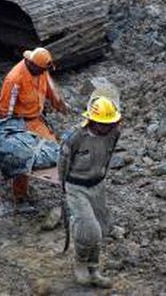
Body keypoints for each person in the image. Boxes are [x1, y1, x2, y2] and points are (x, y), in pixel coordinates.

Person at [58, 96, 121, 288]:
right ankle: (80, 262)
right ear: (92, 120)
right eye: (103, 124)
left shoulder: (113, 133)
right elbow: (62, 165)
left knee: (101, 229)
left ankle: (94, 268)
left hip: (97, 185)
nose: (107, 127)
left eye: (110, 123)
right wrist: (65, 190)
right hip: (77, 186)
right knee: (89, 230)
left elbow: (109, 155)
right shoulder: (75, 138)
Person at [0, 47, 67, 204]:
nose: (43, 72)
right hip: (20, 123)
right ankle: (20, 197)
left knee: (54, 151)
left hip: (36, 119)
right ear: (31, 64)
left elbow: (49, 88)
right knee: (22, 160)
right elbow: (5, 110)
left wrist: (58, 103)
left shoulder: (41, 71)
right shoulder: (14, 79)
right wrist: (11, 135)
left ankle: (65, 186)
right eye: (41, 70)